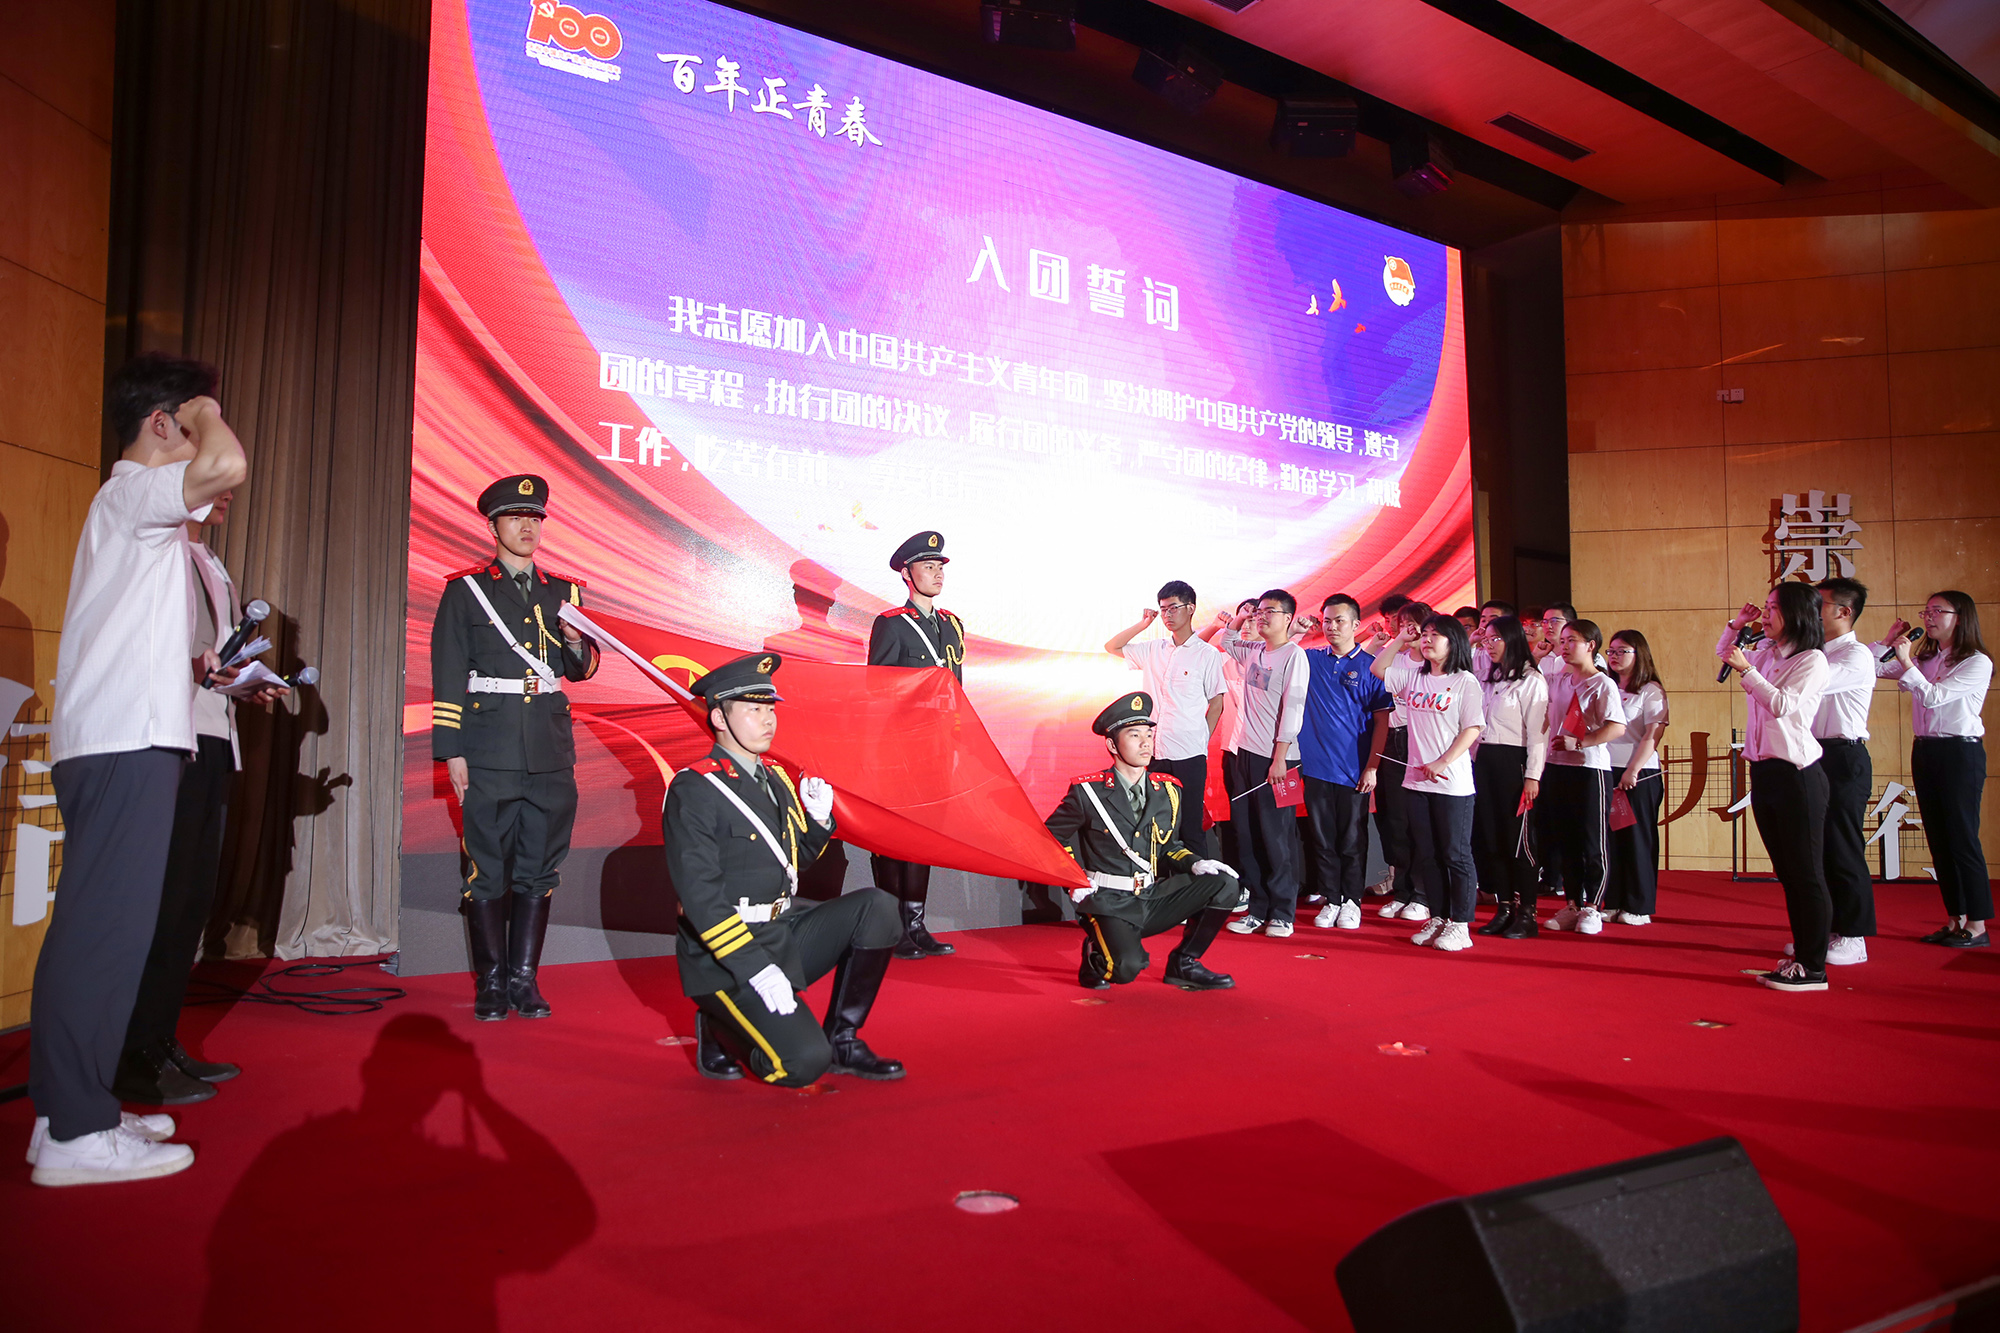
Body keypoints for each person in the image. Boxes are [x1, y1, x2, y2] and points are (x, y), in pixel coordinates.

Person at [28, 353, 245, 1186]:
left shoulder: (136, 511)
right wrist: (201, 409)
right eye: (190, 419)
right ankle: (76, 1132)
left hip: (125, 738)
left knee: (103, 930)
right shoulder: (134, 490)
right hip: (123, 740)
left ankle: (65, 1112)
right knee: (103, 933)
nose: (206, 433)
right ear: (163, 424)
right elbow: (226, 465)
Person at [114, 488, 287, 1107]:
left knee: (190, 902)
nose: (228, 491)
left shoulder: (209, 560)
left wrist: (242, 684)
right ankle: (129, 1054)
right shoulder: (151, 548)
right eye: (214, 479)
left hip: (212, 738)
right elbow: (131, 643)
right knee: (159, 903)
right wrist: (194, 668)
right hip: (165, 738)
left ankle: (160, 1042)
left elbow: (210, 661)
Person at [663, 652, 904, 1084]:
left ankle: (843, 1039)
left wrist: (818, 822)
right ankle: (719, 1030)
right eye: (753, 710)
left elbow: (793, 863)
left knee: (879, 907)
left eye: (770, 709)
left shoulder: (774, 780)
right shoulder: (696, 787)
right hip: (726, 952)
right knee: (802, 1064)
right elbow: (701, 898)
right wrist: (755, 968)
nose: (767, 720)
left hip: (780, 932)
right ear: (719, 717)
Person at [431, 475, 601, 1021]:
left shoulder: (565, 592)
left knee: (539, 867)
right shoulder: (466, 590)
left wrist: (574, 641)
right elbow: (448, 671)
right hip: (488, 747)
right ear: (493, 526)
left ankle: (524, 980)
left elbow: (582, 670)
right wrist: (452, 750)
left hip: (549, 750)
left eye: (535, 518)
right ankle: (492, 982)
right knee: (486, 867)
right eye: (515, 517)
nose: (527, 526)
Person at [1045, 692, 1240, 990]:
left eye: (1149, 734)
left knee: (1224, 883)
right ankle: (1095, 952)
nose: (1146, 743)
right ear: (1112, 745)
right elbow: (1049, 838)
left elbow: (1169, 847)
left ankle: (1184, 962)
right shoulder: (1088, 793)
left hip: (1151, 895)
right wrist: (1073, 879)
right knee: (1124, 970)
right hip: (1108, 901)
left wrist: (1194, 863)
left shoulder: (1168, 791)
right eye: (1134, 735)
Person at [1719, 584, 1832, 990]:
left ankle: (1814, 967)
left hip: (1796, 775)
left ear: (1797, 614)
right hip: (1764, 773)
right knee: (1787, 872)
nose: (1765, 616)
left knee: (1806, 873)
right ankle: (1801, 957)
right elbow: (1725, 653)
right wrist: (1737, 625)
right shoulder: (1768, 653)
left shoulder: (1812, 659)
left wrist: (1747, 672)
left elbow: (1783, 705)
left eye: (1773, 609)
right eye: (1765, 608)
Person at [866, 530, 966, 959]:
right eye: (928, 566)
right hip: (900, 749)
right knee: (896, 836)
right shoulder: (891, 624)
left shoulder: (953, 625)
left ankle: (915, 924)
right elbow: (877, 691)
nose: (938, 573)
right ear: (907, 574)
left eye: (940, 566)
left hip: (938, 749)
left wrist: (958, 743)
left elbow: (958, 690)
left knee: (926, 837)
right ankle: (891, 927)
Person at [1878, 591, 1992, 948]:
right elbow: (1875, 669)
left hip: (1960, 753)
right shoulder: (1926, 657)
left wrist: (1906, 662)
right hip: (1925, 750)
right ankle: (1954, 919)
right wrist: (1887, 643)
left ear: (1960, 617)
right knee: (1939, 840)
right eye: (1925, 611)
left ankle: (1977, 925)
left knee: (1962, 839)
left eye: (1937, 611)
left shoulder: (1976, 662)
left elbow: (1934, 697)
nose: (1928, 618)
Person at [1379, 615, 1486, 951]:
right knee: (1428, 854)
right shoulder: (1414, 676)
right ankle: (1439, 916)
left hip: (1452, 784)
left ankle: (1461, 924)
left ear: (1454, 642)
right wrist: (1400, 639)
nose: (1426, 640)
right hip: (1416, 782)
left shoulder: (1465, 681)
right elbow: (1378, 669)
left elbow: (1472, 728)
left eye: (1435, 635)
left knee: (1455, 854)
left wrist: (1442, 761)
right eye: (1424, 634)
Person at [1104, 581, 1226, 855]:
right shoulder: (1153, 649)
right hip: (1155, 751)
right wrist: (1143, 624)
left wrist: (1201, 739)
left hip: (1190, 753)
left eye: (1173, 608)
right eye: (1163, 609)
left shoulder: (1206, 654)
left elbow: (1217, 703)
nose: (1167, 614)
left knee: (1191, 825)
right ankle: (1161, 881)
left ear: (1190, 608)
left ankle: (1197, 879)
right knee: (1157, 826)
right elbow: (1112, 646)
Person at [1295, 595, 1392, 931]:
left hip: (1354, 770)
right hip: (1315, 768)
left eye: (1339, 621)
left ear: (1355, 625)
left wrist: (1372, 767)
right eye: (1327, 621)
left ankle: (1352, 901)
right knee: (1322, 838)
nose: (1332, 627)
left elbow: (1382, 722)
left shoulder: (1371, 667)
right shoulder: (1310, 659)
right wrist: (1298, 629)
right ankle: (1331, 898)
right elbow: (1281, 651)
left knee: (1352, 839)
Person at [1219, 590, 1311, 938]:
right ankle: (1257, 908)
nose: (1261, 617)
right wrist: (1241, 617)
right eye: (1259, 611)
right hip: (1245, 755)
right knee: (1247, 835)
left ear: (1288, 618)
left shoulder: (1294, 655)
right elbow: (1227, 640)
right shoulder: (1254, 650)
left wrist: (1280, 758)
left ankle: (1283, 912)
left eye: (1269, 611)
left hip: (1280, 760)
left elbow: (1294, 709)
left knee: (1278, 837)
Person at [1536, 618, 1627, 934]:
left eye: (1571, 640)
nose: (1564, 646)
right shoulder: (1557, 680)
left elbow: (1617, 727)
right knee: (1566, 840)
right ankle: (1573, 903)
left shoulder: (1602, 683)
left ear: (1591, 645)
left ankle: (1593, 907)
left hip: (1590, 769)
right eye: (1562, 641)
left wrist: (1581, 742)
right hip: (1556, 767)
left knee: (1592, 841)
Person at [1805, 577, 1877, 964]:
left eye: (1820, 605)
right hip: (1815, 754)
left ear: (1844, 612)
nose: (1812, 613)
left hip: (1844, 756)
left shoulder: (1855, 655)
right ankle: (1828, 932)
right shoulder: (1816, 652)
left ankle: (1854, 936)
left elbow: (1811, 686)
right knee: (1820, 847)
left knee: (1843, 844)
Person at [1471, 616, 1546, 938]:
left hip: (1514, 763)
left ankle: (1527, 912)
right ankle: (1503, 908)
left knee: (1519, 840)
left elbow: (1539, 734)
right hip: (1484, 761)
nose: (1489, 646)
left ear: (1513, 639)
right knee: (1493, 839)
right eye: (1486, 640)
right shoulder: (1487, 678)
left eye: (1495, 639)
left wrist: (1533, 776)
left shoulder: (1531, 680)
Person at [1366, 597, 1435, 921]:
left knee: (1418, 819)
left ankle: (1423, 894)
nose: (1407, 629)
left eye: (1413, 624)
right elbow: (1376, 668)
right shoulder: (1399, 658)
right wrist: (1398, 641)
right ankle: (1403, 890)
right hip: (1392, 740)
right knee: (1395, 819)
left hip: (1420, 741)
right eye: (1402, 623)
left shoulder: (1437, 663)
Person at [1603, 630, 1669, 926]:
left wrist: (1633, 770)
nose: (1614, 656)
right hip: (1606, 770)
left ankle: (1639, 905)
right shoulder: (1606, 686)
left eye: (1622, 651)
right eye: (1611, 651)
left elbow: (1652, 735)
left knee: (1638, 839)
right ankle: (1613, 900)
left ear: (1638, 653)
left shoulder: (1651, 690)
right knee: (1612, 840)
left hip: (1639, 774)